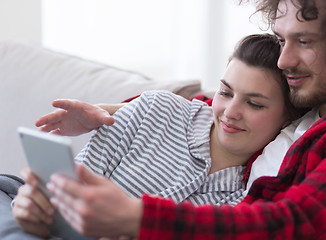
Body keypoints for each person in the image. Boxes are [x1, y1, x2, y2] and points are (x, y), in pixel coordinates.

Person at [12, 34, 306, 238]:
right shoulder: (156, 109)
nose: (230, 112)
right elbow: (67, 188)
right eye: (225, 92)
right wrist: (34, 210)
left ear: (287, 119)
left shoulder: (250, 197)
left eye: (254, 103)